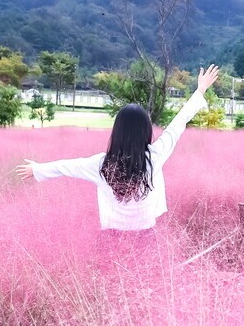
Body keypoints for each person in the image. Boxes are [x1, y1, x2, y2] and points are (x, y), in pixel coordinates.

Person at [16, 66, 220, 242]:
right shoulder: (154, 156)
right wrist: (200, 89)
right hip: (145, 237)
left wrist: (37, 169)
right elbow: (178, 123)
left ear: (118, 131)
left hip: (111, 239)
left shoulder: (100, 164)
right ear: (146, 131)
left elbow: (66, 166)